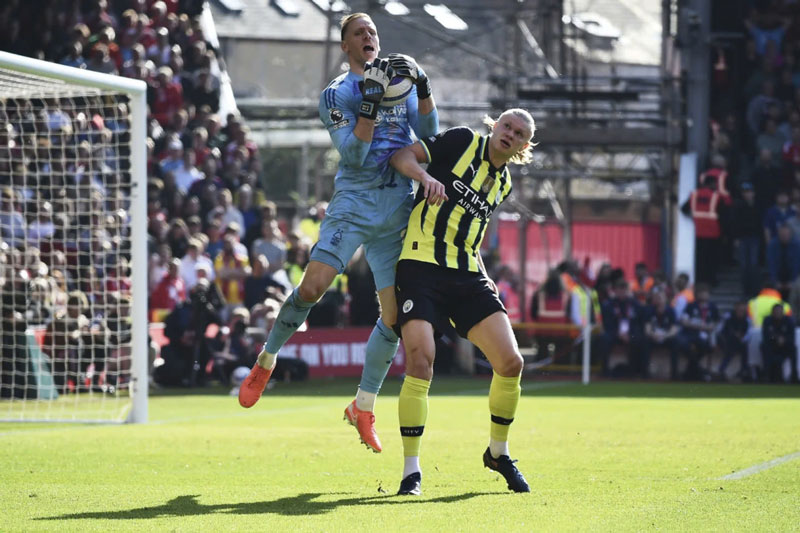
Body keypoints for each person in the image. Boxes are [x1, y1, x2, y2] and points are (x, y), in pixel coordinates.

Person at [237, 12, 442, 453]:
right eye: (358, 33)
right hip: (354, 203)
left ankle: (362, 407)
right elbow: (352, 155)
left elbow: (430, 135)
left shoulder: (400, 84)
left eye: (372, 32)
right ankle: (267, 359)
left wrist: (423, 87)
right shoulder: (337, 93)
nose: (368, 37)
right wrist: (369, 104)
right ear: (346, 46)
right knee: (312, 288)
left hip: (397, 207)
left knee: (394, 318)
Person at [388, 108, 535, 495]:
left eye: (518, 133)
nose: (509, 133)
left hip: (467, 273)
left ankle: (498, 453)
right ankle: (411, 471)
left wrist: (484, 274)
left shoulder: (502, 185)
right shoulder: (460, 141)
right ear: (495, 126)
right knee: (421, 362)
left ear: (523, 146)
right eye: (506, 125)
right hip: (420, 266)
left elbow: (471, 234)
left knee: (511, 361)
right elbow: (400, 156)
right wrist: (424, 177)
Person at [677, 283, 720, 381]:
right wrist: (701, 326)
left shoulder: (712, 307)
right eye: (701, 293)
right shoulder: (691, 306)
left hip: (706, 336)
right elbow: (684, 321)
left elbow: (716, 323)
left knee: (705, 346)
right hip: (691, 334)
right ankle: (698, 371)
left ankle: (691, 372)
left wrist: (709, 327)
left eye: (705, 293)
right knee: (682, 344)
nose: (703, 295)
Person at [640, 291, 679, 380]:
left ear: (665, 299)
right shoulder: (649, 310)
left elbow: (674, 329)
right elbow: (647, 329)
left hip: (666, 337)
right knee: (644, 342)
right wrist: (653, 335)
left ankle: (674, 374)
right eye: (657, 298)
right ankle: (645, 373)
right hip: (653, 337)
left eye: (660, 298)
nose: (659, 300)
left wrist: (665, 336)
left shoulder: (671, 310)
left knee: (676, 342)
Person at [760, 303, 798, 383]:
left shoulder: (788, 321)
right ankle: (766, 375)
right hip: (772, 346)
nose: (777, 313)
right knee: (764, 346)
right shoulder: (767, 320)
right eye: (776, 311)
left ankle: (794, 376)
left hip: (785, 347)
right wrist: (776, 339)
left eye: (779, 311)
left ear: (782, 312)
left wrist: (784, 340)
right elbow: (766, 335)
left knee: (793, 348)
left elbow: (791, 336)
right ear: (772, 312)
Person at [717, 301, 751, 380]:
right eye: (739, 309)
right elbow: (720, 330)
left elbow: (748, 333)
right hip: (726, 340)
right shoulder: (728, 317)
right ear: (735, 308)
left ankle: (744, 370)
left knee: (745, 348)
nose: (741, 311)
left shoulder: (747, 319)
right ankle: (721, 371)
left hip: (740, 342)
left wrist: (741, 338)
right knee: (730, 347)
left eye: (743, 309)